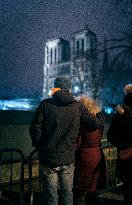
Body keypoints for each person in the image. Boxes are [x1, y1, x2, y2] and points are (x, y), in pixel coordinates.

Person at [29, 76, 104, 205]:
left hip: (49, 158)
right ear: (69, 88)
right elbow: (93, 123)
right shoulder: (78, 106)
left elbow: (34, 129)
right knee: (67, 195)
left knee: (51, 197)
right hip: (68, 158)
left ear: (56, 88)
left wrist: (40, 146)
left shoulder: (45, 105)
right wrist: (100, 116)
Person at [73, 95, 106, 205]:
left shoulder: (82, 124)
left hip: (84, 159)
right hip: (97, 157)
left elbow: (77, 144)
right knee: (92, 188)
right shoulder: (98, 122)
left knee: (80, 190)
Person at [107, 84, 132, 205]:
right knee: (129, 190)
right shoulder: (120, 117)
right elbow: (111, 136)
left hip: (129, 159)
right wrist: (125, 146)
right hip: (128, 159)